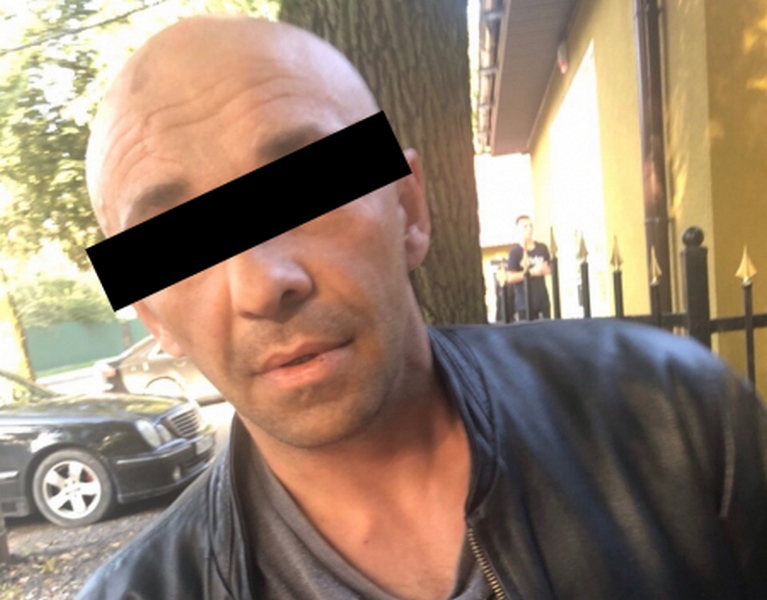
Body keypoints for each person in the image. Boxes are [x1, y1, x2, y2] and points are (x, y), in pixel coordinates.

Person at [78, 15, 767, 600]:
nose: (262, 285)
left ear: (408, 209)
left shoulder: (676, 416)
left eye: (303, 190)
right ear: (153, 317)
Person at [506, 215, 551, 321]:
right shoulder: (515, 252)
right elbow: (510, 277)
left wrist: (545, 270)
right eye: (525, 226)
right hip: (524, 303)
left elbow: (549, 268)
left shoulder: (542, 248)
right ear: (518, 230)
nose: (529, 229)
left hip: (542, 300)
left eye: (531, 226)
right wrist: (532, 272)